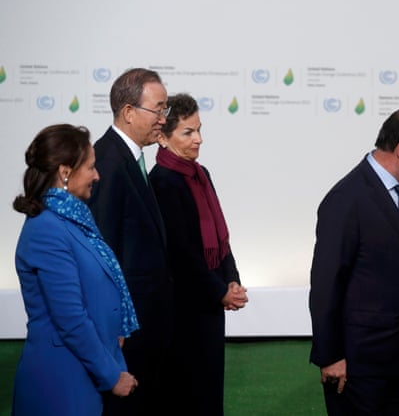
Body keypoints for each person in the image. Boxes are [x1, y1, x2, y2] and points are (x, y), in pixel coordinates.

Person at [309, 104, 399, 415]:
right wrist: (330, 355)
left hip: (398, 361)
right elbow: (326, 284)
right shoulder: (346, 199)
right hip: (359, 367)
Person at [12, 124, 139, 415]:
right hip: (60, 381)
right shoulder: (47, 229)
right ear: (65, 172)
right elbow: (70, 318)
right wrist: (111, 375)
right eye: (91, 167)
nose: (97, 175)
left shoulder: (74, 222)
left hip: (81, 372)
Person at [149, 93, 248, 415]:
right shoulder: (162, 182)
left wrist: (231, 280)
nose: (199, 139)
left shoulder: (201, 174)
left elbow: (221, 236)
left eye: (199, 130)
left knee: (208, 392)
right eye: (188, 133)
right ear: (162, 137)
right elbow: (181, 252)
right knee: (186, 394)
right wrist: (220, 291)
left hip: (209, 303)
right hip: (183, 309)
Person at [88, 68, 175, 415]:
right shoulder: (107, 162)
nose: (163, 119)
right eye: (158, 110)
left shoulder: (130, 157)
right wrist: (114, 325)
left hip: (144, 325)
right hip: (127, 330)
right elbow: (103, 252)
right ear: (128, 112)